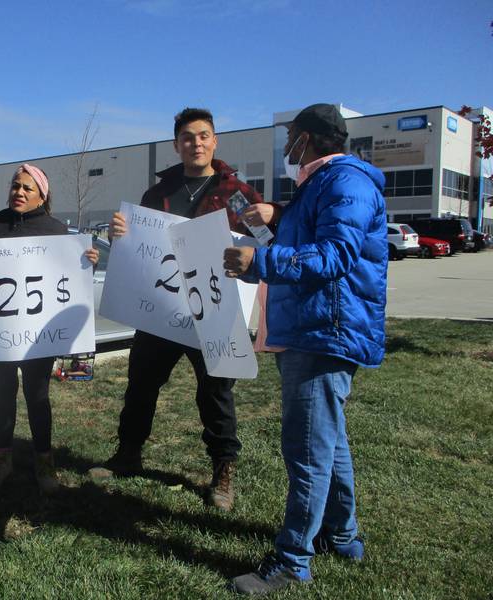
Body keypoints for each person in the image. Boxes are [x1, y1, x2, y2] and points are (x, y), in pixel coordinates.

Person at [224, 103, 387, 595]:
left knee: (307, 450)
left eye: (292, 137)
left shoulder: (346, 182)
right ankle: (343, 536)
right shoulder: (318, 186)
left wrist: (260, 260)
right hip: (313, 330)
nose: (287, 146)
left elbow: (336, 255)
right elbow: (312, 242)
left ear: (313, 138)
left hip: (325, 331)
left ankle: (293, 560)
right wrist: (271, 225)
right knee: (330, 442)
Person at [94, 107, 266, 511]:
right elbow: (135, 250)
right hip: (160, 308)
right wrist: (121, 235)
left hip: (214, 310)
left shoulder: (237, 193)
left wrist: (266, 225)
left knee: (216, 393)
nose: (196, 143)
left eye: (204, 135)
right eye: (188, 137)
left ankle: (223, 470)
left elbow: (263, 239)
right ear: (177, 144)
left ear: (215, 141)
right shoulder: (157, 194)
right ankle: (128, 453)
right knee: (141, 384)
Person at [0, 164, 98, 495]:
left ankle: (44, 461)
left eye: (28, 188)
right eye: (15, 186)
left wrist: (87, 260)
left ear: (43, 196)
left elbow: (69, 276)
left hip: (37, 334)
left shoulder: (57, 231)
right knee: (2, 394)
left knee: (37, 395)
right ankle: (2, 458)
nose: (19, 192)